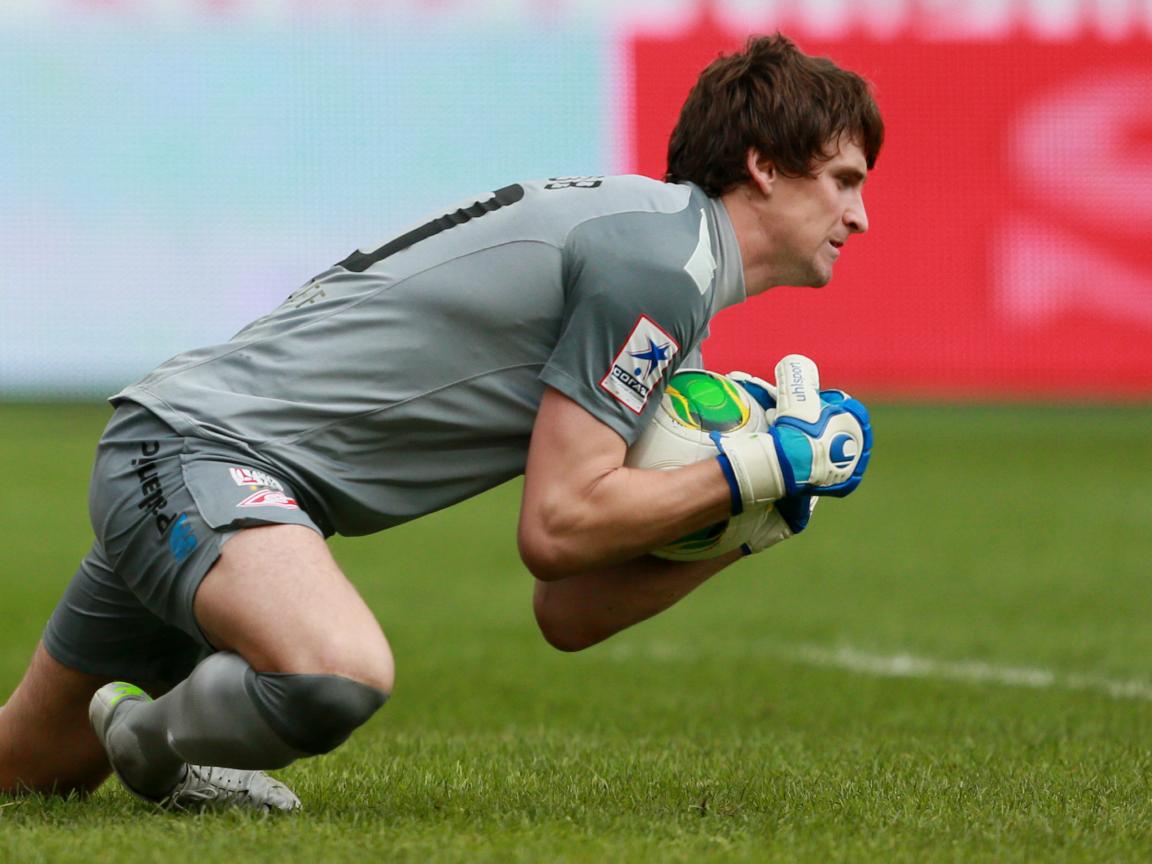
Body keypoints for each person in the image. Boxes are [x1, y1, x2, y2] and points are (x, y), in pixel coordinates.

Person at [0, 32, 882, 811]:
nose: (860, 216)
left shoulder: (660, 261)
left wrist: (757, 519)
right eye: (844, 179)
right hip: (194, 456)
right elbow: (558, 528)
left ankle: (156, 732)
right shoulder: (661, 267)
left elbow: (568, 610)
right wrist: (760, 465)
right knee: (335, 672)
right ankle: (156, 747)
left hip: (213, 470)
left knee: (23, 774)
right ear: (765, 165)